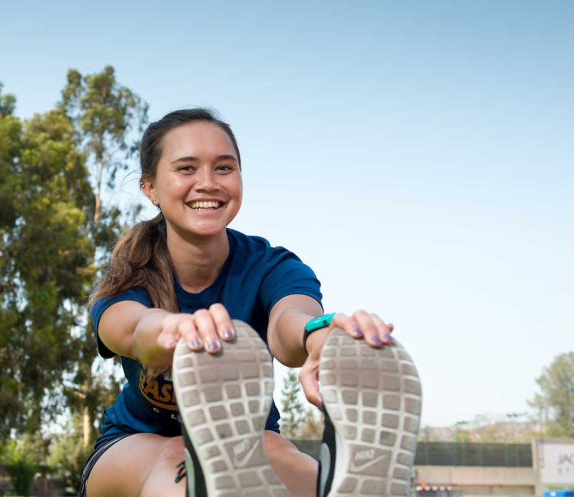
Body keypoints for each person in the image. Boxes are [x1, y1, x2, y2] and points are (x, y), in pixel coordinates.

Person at [83, 109, 421, 497]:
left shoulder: (271, 265)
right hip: (133, 443)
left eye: (224, 168)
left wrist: (322, 337)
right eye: (187, 168)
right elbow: (129, 329)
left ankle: (338, 485)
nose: (208, 183)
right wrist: (169, 329)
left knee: (280, 453)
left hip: (248, 438)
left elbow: (289, 323)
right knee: (177, 462)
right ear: (151, 188)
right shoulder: (128, 273)